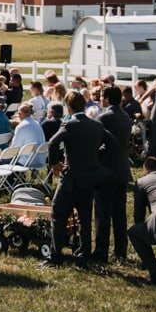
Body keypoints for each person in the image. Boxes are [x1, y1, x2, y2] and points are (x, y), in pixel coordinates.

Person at [45, 92, 106, 267]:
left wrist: (54, 162)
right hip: (89, 176)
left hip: (71, 178)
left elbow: (52, 143)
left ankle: (55, 255)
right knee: (85, 218)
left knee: (58, 214)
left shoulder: (70, 124)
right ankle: (83, 253)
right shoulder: (97, 125)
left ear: (69, 106)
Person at [93, 84, 135, 261]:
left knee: (103, 213)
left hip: (106, 170)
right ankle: (120, 250)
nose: (100, 99)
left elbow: (97, 141)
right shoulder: (125, 115)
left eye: (102, 96)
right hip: (122, 169)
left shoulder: (104, 117)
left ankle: (101, 251)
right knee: (119, 213)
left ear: (108, 98)